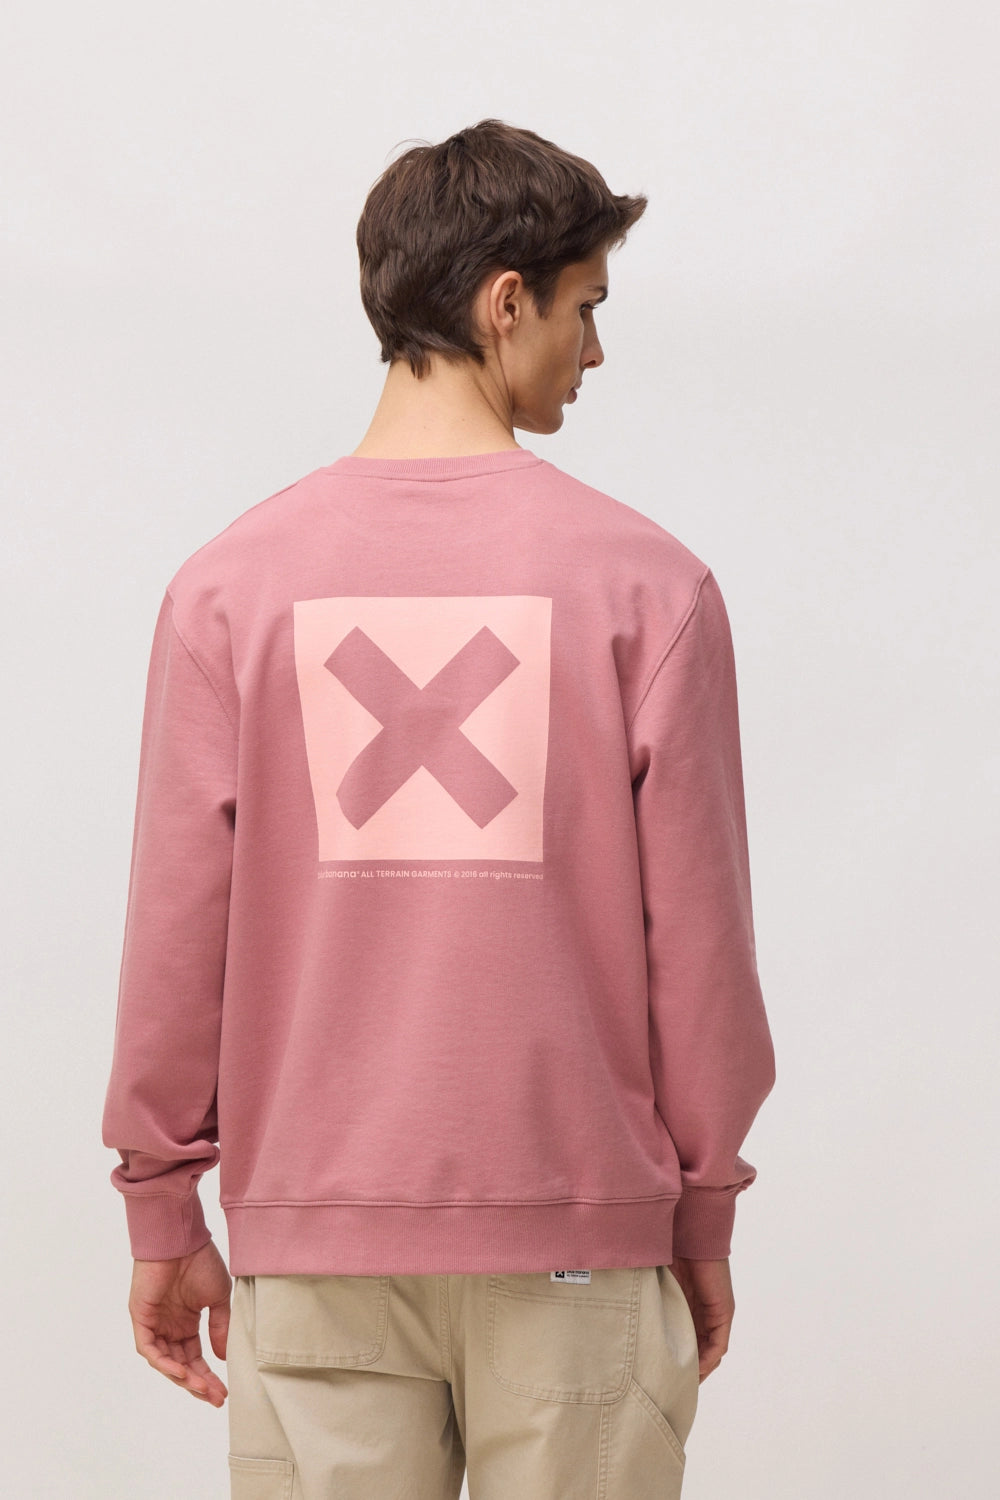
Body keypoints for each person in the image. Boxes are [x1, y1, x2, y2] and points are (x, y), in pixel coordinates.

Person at [102, 118, 776, 1498]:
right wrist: (701, 1211)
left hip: (318, 1249)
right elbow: (702, 952)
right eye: (585, 308)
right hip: (579, 1242)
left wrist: (161, 1203)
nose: (596, 352)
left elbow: (177, 930)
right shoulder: (650, 588)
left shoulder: (230, 591)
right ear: (505, 301)